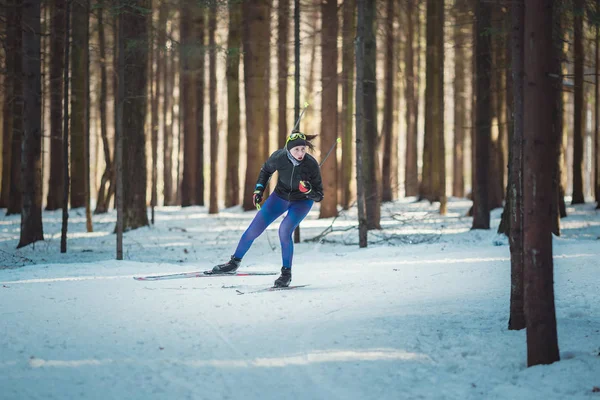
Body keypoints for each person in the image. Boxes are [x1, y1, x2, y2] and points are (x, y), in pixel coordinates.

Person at [208, 131, 324, 287]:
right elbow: (266, 170)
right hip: (279, 197)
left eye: (303, 149)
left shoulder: (311, 164)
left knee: (284, 231)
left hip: (301, 202)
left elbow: (319, 195)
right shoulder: (279, 157)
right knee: (253, 229)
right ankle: (233, 262)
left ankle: (286, 274)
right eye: (297, 149)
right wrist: (259, 190)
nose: (301, 153)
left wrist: (309, 191)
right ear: (288, 149)